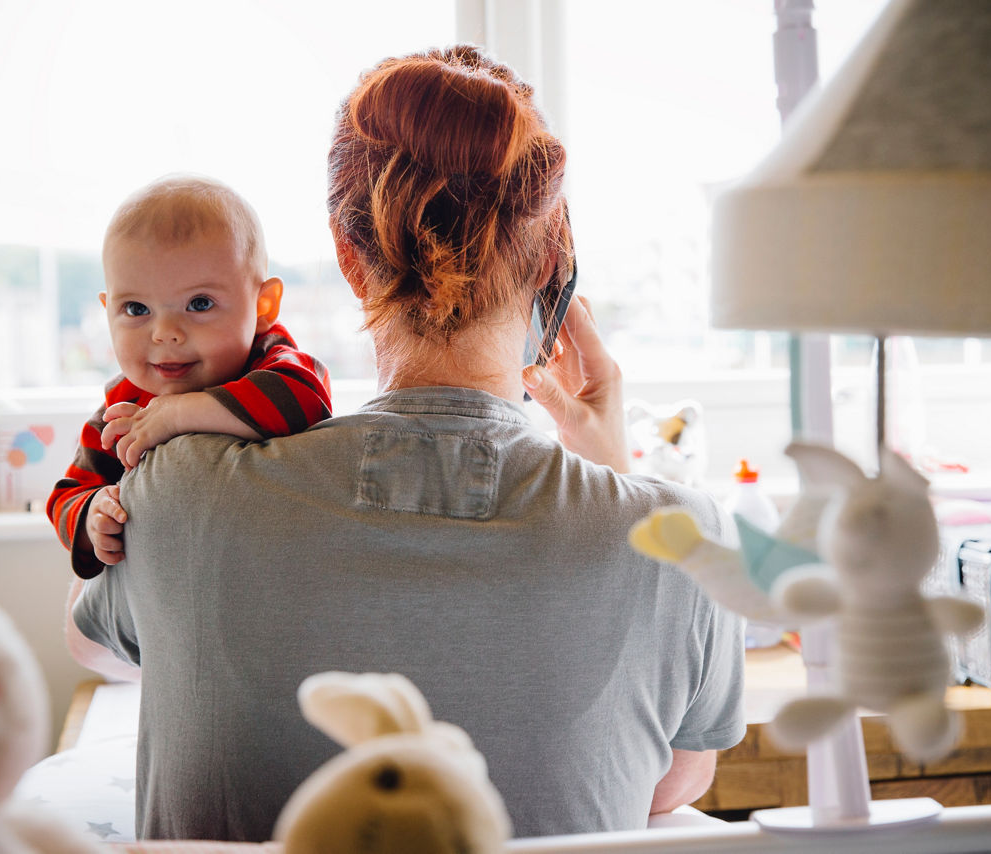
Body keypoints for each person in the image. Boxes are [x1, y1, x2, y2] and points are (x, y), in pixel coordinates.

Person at [67, 45, 745, 842]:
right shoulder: (684, 543)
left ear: (348, 258)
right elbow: (663, 786)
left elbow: (93, 645)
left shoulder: (177, 486)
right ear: (549, 261)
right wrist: (610, 473)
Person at [47, 175, 333, 579]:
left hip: (281, 572)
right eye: (136, 309)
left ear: (263, 305)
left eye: (199, 303)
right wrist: (93, 513)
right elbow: (66, 496)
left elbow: (308, 400)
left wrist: (176, 414)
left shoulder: (272, 362)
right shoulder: (122, 408)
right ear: (107, 310)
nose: (165, 333)